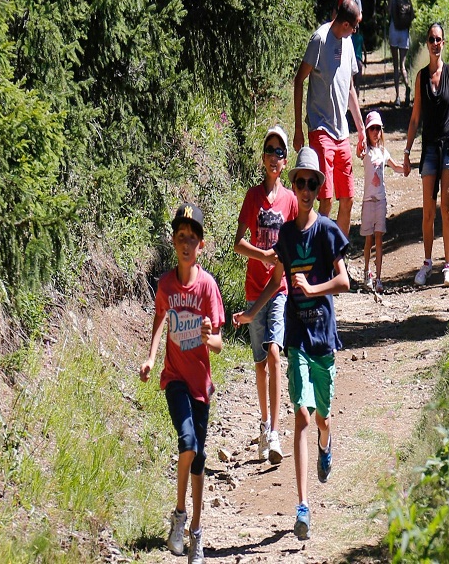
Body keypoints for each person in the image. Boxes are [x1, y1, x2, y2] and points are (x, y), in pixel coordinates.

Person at [237, 147, 350, 540]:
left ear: (318, 188)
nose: (304, 188)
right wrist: (253, 312)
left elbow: (344, 281)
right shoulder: (285, 234)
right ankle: (302, 506)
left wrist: (312, 287)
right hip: (298, 337)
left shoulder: (327, 231)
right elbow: (276, 279)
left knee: (321, 417)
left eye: (310, 182)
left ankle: (327, 440)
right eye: (299, 181)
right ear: (295, 185)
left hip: (323, 336)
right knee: (300, 416)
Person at [140, 203, 225, 564]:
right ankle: (179, 516)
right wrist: (151, 356)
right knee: (187, 442)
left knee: (199, 458)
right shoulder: (166, 284)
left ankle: (197, 534)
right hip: (175, 378)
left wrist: (209, 338)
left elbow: (219, 344)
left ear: (201, 245)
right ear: (174, 243)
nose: (186, 244)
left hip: (201, 385)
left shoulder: (207, 287)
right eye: (180, 237)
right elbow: (161, 319)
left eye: (192, 238)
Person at [232, 126, 297, 466]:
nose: (274, 157)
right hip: (253, 289)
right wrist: (264, 255)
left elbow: (298, 240)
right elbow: (237, 241)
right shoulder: (253, 197)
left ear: (285, 162)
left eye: (280, 152)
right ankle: (263, 423)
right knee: (259, 364)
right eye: (270, 151)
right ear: (263, 158)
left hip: (279, 289)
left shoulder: (290, 201)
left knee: (274, 353)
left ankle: (274, 431)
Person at [402, 22, 449, 287]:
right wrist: (407, 151)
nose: (435, 44)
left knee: (447, 206)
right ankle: (426, 263)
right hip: (430, 148)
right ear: (427, 43)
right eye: (431, 39)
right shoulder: (421, 77)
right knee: (428, 210)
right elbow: (414, 119)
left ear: (444, 43)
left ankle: (447, 266)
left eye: (439, 39)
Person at [293, 0, 366, 238]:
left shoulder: (347, 44)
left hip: (341, 133)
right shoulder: (320, 40)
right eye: (354, 26)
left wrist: (361, 128)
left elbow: (350, 89)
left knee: (347, 199)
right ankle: (319, 259)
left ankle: (338, 258)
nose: (355, 31)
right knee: (325, 200)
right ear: (345, 24)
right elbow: (299, 81)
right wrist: (298, 129)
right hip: (320, 129)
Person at [359, 110, 403, 292]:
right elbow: (358, 150)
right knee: (368, 239)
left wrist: (408, 167)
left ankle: (378, 277)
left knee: (378, 239)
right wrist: (361, 134)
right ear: (368, 131)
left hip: (381, 200)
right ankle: (367, 271)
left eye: (378, 128)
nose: (375, 132)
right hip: (368, 200)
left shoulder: (384, 152)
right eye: (372, 129)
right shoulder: (365, 151)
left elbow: (396, 167)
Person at [388, 0, 412, 105]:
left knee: (396, 65)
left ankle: (397, 97)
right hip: (404, 31)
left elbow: (388, 11)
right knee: (403, 64)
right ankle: (407, 86)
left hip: (394, 29)